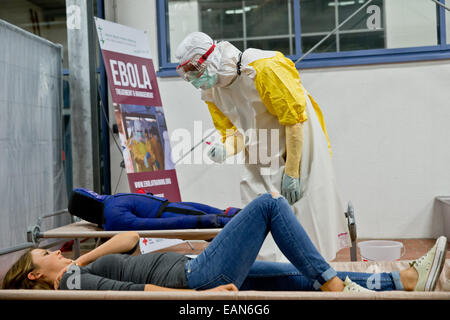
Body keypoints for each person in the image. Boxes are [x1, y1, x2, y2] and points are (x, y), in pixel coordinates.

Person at [2, 192, 447, 293]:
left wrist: (90, 253)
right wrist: (204, 299)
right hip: (197, 277)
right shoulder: (74, 285)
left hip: (196, 273)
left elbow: (132, 237)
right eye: (43, 253)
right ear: (36, 273)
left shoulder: (79, 271)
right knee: (268, 207)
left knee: (297, 276)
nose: (51, 250)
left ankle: (403, 279)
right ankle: (338, 285)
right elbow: (140, 295)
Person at [175, 32, 349, 262]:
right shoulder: (211, 91)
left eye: (195, 71)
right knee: (256, 211)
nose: (195, 79)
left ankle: (314, 273)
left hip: (297, 146)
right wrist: (225, 148)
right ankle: (271, 272)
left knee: (304, 214)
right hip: (259, 153)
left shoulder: (263, 67)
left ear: (210, 58)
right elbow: (234, 133)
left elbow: (294, 119)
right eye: (188, 75)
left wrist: (293, 171)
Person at [67, 188, 241, 231]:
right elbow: (149, 225)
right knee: (212, 217)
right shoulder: (113, 214)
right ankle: (235, 220)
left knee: (216, 212)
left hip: (167, 207)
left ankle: (234, 217)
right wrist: (212, 222)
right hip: (166, 213)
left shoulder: (111, 205)